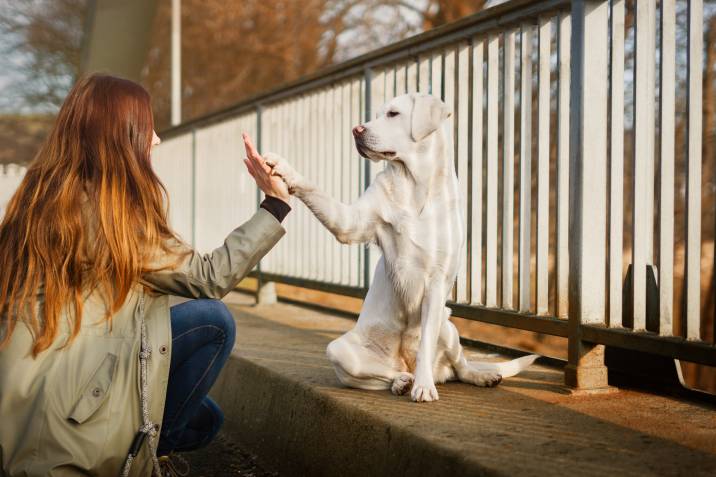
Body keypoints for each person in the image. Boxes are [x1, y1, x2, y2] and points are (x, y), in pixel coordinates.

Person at [0, 74, 290, 476]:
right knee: (213, 320)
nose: (156, 140)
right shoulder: (108, 215)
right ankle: (149, 459)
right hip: (67, 415)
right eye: (148, 128)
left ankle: (153, 449)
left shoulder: (41, 192)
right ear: (122, 135)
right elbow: (208, 277)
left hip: (33, 385)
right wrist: (275, 204)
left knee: (206, 419)